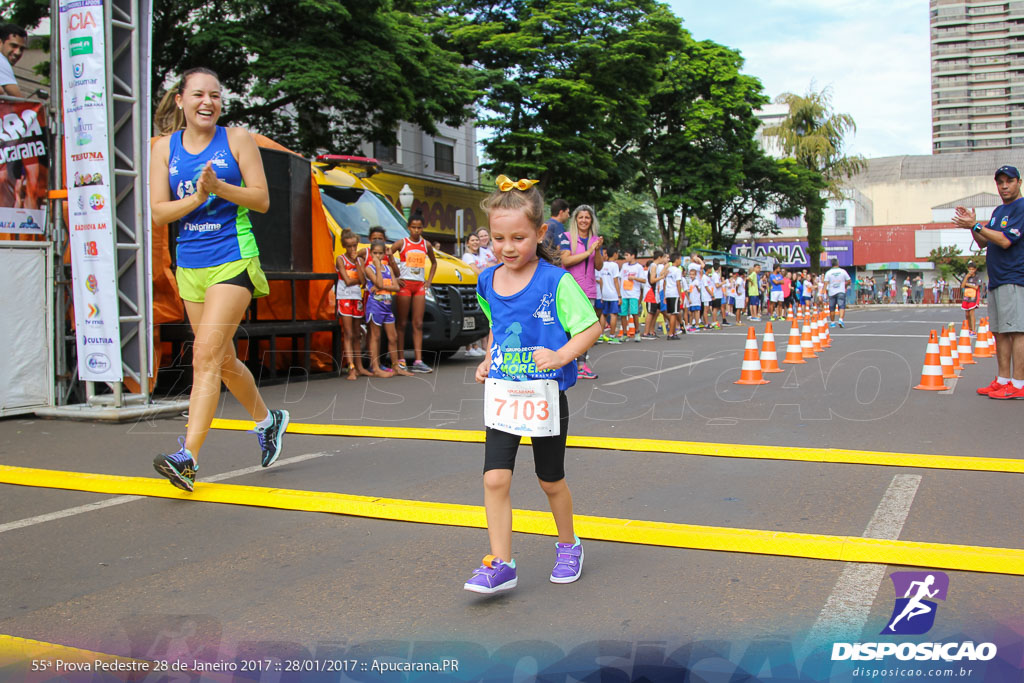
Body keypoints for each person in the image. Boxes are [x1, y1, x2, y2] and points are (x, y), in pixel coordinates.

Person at [149, 67, 287, 492]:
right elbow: (157, 211)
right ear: (181, 101)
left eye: (215, 96)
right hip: (190, 264)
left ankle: (187, 457)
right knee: (222, 360)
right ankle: (269, 420)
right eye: (198, 95)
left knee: (204, 356)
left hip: (234, 257)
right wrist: (196, 197)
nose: (207, 102)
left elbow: (262, 200)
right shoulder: (163, 148)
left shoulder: (237, 140)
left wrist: (221, 188)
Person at [465, 175, 600, 594]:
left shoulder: (555, 281)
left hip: (543, 396)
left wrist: (562, 356)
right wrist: (490, 358)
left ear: (540, 233)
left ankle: (568, 544)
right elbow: (497, 327)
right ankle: (502, 562)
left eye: (519, 238)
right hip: (505, 395)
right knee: (494, 479)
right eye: (499, 238)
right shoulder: (486, 280)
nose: (507, 247)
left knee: (549, 480)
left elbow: (591, 327)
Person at [954, 165, 1024, 399]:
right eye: (1000, 182)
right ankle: (1003, 380)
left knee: (1017, 331)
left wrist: (976, 226)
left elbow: (1005, 241)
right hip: (997, 280)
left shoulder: (1022, 208)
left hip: (1015, 278)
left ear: (1019, 182)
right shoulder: (998, 211)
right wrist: (972, 225)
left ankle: (1019, 383)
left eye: (1009, 181)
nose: (1004, 186)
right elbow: (985, 241)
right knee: (1000, 332)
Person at [558, 205, 603, 378]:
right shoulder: (566, 237)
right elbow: (566, 260)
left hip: (589, 289)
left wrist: (597, 250)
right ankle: (565, 363)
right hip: (570, 288)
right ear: (575, 219)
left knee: (585, 330)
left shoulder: (595, 239)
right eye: (581, 217)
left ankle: (581, 365)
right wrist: (589, 251)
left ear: (592, 220)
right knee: (568, 329)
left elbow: (598, 265)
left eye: (587, 217)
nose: (584, 220)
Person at [390, 212, 437, 373]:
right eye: (413, 227)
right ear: (408, 228)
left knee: (418, 323)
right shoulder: (402, 243)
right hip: (404, 285)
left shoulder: (426, 245)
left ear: (422, 228)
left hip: (419, 286)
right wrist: (396, 275)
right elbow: (388, 254)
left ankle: (418, 360)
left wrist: (429, 281)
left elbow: (434, 263)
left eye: (419, 228)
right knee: (402, 323)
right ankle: (401, 359)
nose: (416, 230)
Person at [361, 239, 413, 378]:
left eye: (380, 253)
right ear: (371, 253)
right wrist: (378, 268)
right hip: (375, 306)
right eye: (375, 253)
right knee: (375, 336)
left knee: (393, 337)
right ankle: (375, 367)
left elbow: (396, 287)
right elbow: (377, 281)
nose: (378, 256)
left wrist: (381, 287)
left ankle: (396, 366)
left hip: (387, 306)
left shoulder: (389, 269)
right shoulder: (369, 268)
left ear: (384, 253)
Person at [336, 229, 367, 380]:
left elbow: (363, 280)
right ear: (344, 246)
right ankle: (351, 367)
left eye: (355, 246)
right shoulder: (340, 259)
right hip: (345, 297)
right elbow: (347, 281)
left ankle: (359, 365)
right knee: (348, 333)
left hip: (357, 297)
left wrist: (357, 262)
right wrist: (358, 280)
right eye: (349, 246)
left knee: (357, 333)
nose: (353, 249)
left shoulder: (359, 261)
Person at [461, 232, 490, 357]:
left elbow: (488, 266)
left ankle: (475, 345)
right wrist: (487, 277)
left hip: (481, 288)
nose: (475, 242)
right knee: (470, 316)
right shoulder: (467, 256)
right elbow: (475, 269)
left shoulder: (480, 256)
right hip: (471, 289)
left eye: (477, 240)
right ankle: (469, 347)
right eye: (472, 240)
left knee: (478, 317)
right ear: (468, 243)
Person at [595, 248, 622, 343]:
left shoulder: (603, 264)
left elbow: (601, 281)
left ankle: (601, 335)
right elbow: (615, 281)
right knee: (614, 314)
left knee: (604, 314)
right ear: (614, 254)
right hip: (613, 293)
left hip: (605, 293)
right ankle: (612, 336)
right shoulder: (614, 265)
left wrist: (602, 294)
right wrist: (619, 295)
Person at [618, 249, 644, 341]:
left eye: (627, 255)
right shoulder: (624, 266)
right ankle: (624, 333)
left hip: (634, 293)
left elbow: (644, 280)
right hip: (624, 293)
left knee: (634, 313)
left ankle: (637, 332)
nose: (625, 257)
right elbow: (620, 278)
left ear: (633, 256)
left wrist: (634, 278)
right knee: (623, 314)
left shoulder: (639, 267)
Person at [824, 258, 851, 327]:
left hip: (832, 292)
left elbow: (825, 283)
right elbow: (849, 280)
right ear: (838, 263)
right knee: (841, 306)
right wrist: (845, 285)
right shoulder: (842, 271)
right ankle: (841, 319)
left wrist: (824, 293)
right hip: (841, 291)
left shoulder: (828, 272)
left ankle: (832, 322)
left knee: (832, 308)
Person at [0, 24, 26, 98]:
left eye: (21, 49)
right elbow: (18, 98)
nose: (17, 52)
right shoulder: (1, 61)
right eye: (13, 46)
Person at [664, 252, 683, 339]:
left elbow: (664, 282)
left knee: (672, 313)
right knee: (674, 314)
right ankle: (671, 333)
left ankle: (673, 332)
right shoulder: (677, 270)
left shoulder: (668, 270)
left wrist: (664, 294)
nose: (680, 261)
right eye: (680, 259)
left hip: (668, 293)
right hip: (674, 293)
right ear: (676, 260)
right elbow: (678, 283)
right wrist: (680, 296)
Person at [960, 262, 982, 336]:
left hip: (974, 297)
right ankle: (969, 328)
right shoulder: (966, 277)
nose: (971, 271)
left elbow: (976, 287)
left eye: (972, 269)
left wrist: (967, 284)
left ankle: (973, 330)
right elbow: (962, 286)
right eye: (970, 269)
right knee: (967, 314)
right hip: (966, 297)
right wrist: (966, 278)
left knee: (971, 313)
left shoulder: (977, 277)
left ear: (975, 269)